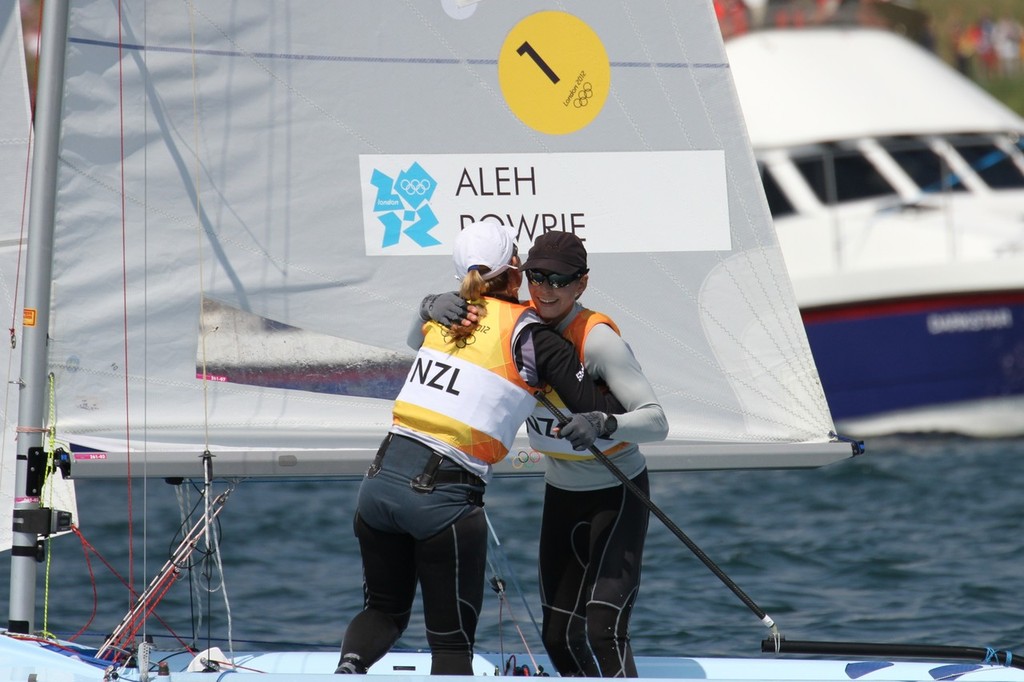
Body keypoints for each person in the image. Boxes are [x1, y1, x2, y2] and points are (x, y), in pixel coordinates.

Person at [336, 221, 624, 676]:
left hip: (378, 483)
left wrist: (427, 304)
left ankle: (349, 667)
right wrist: (600, 413)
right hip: (442, 499)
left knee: (385, 614)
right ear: (516, 271)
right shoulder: (533, 336)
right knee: (451, 649)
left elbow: (417, 340)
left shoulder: (444, 315)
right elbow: (595, 405)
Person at [420, 231, 668, 677]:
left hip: (618, 492)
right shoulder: (512, 324)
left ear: (581, 284)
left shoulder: (596, 341)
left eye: (559, 279)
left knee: (603, 630)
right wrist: (428, 306)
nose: (545, 288)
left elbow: (656, 421)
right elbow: (418, 343)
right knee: (557, 636)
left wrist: (603, 423)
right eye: (536, 276)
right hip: (561, 493)